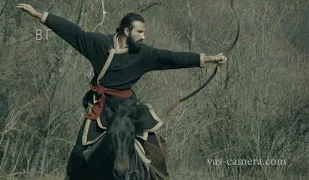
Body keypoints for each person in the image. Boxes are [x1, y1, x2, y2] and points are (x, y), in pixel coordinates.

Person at [16, 3, 227, 180]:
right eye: (140, 32)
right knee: (80, 153)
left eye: (144, 32)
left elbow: (172, 57)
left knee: (152, 149)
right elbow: (73, 33)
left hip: (127, 109)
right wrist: (40, 15)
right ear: (127, 31)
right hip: (101, 108)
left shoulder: (144, 54)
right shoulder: (98, 44)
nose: (143, 37)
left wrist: (208, 59)